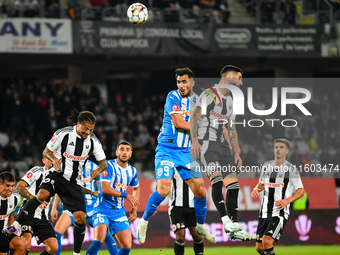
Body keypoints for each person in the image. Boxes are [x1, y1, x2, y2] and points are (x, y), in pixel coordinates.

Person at [3, 109, 107, 255]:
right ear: (78, 124)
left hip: (73, 183)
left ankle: (76, 253)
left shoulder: (93, 142)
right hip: (56, 175)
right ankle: (15, 225)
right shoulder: (63, 134)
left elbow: (103, 163)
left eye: (91, 129)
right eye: (85, 129)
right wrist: (54, 159)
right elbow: (46, 151)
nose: (88, 132)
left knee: (81, 218)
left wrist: (98, 170)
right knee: (42, 194)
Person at [137, 67, 216, 245]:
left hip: (186, 152)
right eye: (178, 82)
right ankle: (143, 222)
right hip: (167, 150)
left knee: (201, 192)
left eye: (184, 81)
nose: (181, 85)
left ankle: (201, 225)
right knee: (164, 190)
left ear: (192, 82)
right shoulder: (173, 96)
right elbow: (179, 123)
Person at [191, 65, 254, 241]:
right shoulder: (209, 94)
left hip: (222, 146)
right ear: (228, 76)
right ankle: (226, 221)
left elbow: (230, 127)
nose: (241, 83)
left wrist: (236, 150)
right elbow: (195, 116)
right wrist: (195, 140)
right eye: (239, 78)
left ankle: (234, 228)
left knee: (233, 186)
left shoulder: (230, 101)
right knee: (217, 180)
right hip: (206, 144)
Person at [50, 160, 118, 255]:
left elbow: (103, 186)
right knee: (56, 234)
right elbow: (61, 188)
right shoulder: (67, 167)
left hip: (92, 207)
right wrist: (54, 207)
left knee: (105, 235)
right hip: (74, 207)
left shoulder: (94, 167)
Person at [251, 138, 305, 255]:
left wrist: (287, 201)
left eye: (281, 147)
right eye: (276, 147)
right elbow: (261, 184)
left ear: (287, 151)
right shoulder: (266, 166)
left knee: (267, 241)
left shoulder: (291, 170)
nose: (278, 150)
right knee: (259, 248)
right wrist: (256, 188)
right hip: (264, 212)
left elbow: (301, 191)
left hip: (279, 212)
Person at [86, 141, 140, 255]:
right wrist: (126, 195)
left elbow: (136, 188)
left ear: (131, 153)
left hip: (118, 211)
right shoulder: (108, 166)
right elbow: (105, 188)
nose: (124, 152)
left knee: (127, 246)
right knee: (98, 241)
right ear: (117, 152)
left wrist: (134, 208)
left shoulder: (132, 171)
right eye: (121, 149)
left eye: (127, 150)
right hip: (102, 209)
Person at [15, 155, 58, 255]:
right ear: (43, 160)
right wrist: (35, 200)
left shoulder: (57, 176)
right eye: (49, 157)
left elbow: (61, 193)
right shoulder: (36, 170)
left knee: (53, 247)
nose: (52, 160)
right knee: (25, 244)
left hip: (42, 218)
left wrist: (55, 207)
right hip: (27, 214)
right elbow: (20, 186)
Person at [169, 169, 203, 255]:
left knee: (198, 237)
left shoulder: (194, 168)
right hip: (176, 209)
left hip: (193, 209)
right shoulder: (171, 168)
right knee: (180, 237)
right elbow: (161, 183)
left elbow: (200, 186)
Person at [0, 172, 27, 255]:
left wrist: (12, 233)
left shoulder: (15, 198)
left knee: (21, 244)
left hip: (2, 234)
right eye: (7, 186)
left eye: (12, 186)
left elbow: (10, 213)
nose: (11, 189)